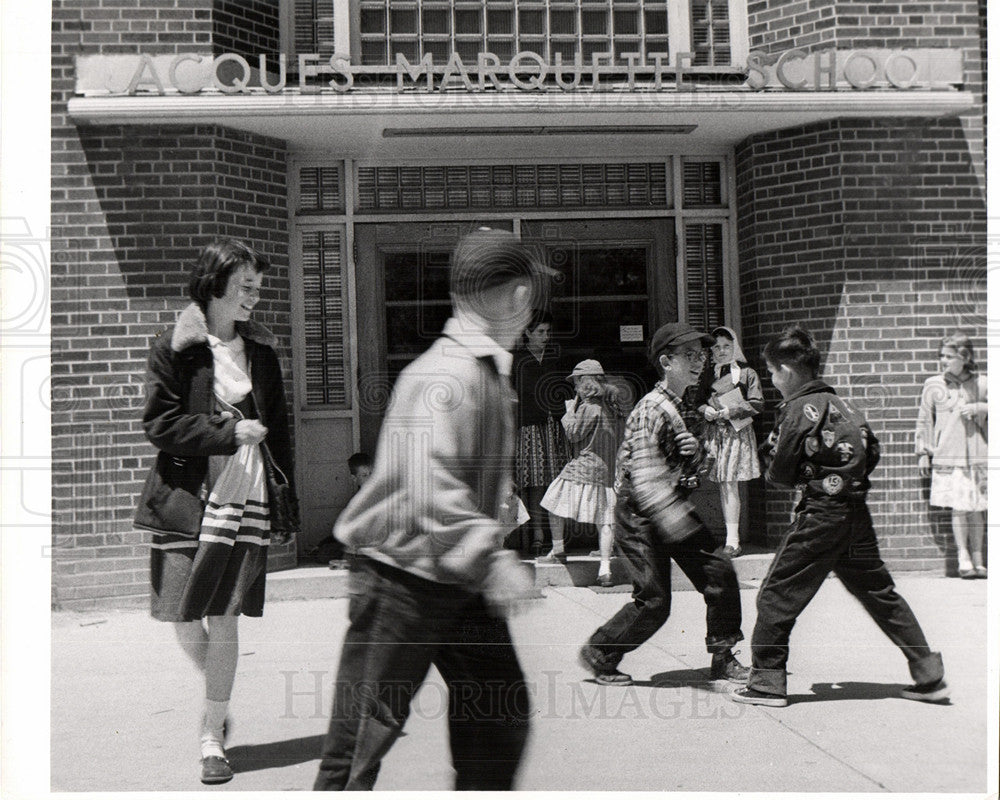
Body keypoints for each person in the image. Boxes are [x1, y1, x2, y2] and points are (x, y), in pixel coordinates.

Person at [313, 228, 555, 791]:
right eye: (531, 296)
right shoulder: (445, 375)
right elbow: (429, 487)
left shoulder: (483, 368)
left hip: (454, 574)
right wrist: (492, 558)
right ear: (519, 296)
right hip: (400, 579)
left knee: (499, 714)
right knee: (361, 739)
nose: (530, 310)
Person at [134, 239, 296, 784]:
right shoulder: (175, 348)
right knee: (182, 618)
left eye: (257, 285)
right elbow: (159, 424)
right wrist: (229, 431)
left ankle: (211, 739)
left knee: (223, 616)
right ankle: (218, 696)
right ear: (215, 286)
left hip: (243, 497)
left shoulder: (263, 355)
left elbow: (283, 432)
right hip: (183, 499)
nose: (255, 294)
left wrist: (286, 502)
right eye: (245, 285)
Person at [731, 326, 948, 707]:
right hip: (854, 513)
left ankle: (765, 683)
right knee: (879, 592)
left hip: (819, 517)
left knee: (776, 595)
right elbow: (873, 452)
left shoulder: (798, 408)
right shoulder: (844, 405)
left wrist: (798, 472)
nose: (772, 381)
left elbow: (780, 471)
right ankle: (928, 672)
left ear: (786, 370)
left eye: (772, 373)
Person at [579, 322, 748, 686]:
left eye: (700, 355)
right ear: (666, 362)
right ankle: (601, 651)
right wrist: (673, 519)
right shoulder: (651, 408)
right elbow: (642, 473)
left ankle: (723, 656)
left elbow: (693, 464)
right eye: (688, 355)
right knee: (654, 601)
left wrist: (696, 450)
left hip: (669, 506)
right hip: (642, 513)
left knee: (718, 572)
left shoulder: (683, 403)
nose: (698, 361)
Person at [536, 360, 630, 587]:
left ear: (586, 383)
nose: (575, 387)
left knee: (552, 502)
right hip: (606, 471)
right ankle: (605, 569)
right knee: (605, 520)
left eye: (577, 382)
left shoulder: (589, 408)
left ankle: (558, 550)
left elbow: (573, 435)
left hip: (583, 466)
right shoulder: (613, 408)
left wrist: (569, 413)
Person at [915, 332, 988, 579]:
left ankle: (979, 557)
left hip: (979, 456)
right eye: (941, 356)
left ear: (964, 357)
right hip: (948, 455)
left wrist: (981, 408)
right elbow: (925, 420)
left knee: (978, 507)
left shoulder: (983, 383)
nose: (943, 360)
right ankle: (963, 556)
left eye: (948, 356)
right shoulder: (933, 384)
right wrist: (923, 452)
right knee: (959, 507)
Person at [699, 326, 763, 556]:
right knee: (724, 484)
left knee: (730, 483)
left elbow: (757, 403)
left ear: (735, 347)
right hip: (717, 433)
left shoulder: (746, 373)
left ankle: (733, 540)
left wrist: (732, 411)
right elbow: (698, 400)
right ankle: (729, 537)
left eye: (727, 346)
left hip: (738, 433)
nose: (722, 351)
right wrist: (705, 409)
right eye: (717, 347)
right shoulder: (709, 374)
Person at [512, 310, 569, 553]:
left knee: (557, 481)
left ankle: (559, 538)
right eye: (540, 332)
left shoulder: (555, 358)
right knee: (535, 482)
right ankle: (537, 533)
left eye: (548, 332)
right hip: (529, 427)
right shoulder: (517, 360)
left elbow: (566, 391)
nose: (545, 337)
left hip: (553, 427)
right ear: (527, 333)